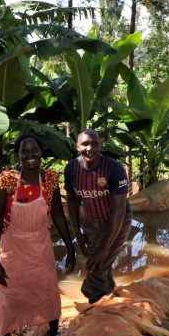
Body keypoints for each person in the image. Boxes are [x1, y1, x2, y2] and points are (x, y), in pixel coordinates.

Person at [0, 133, 75, 336]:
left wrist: (70, 247)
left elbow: (58, 215)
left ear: (41, 152)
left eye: (34, 150)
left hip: (40, 245)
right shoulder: (6, 180)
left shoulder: (49, 180)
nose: (30, 155)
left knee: (47, 290)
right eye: (24, 151)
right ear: (18, 155)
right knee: (9, 299)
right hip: (12, 246)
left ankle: (54, 333)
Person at [64, 129, 131, 304]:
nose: (90, 148)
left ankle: (95, 304)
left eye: (95, 143)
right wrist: (78, 234)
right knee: (101, 264)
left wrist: (105, 247)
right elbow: (72, 200)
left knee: (97, 265)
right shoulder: (72, 169)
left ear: (101, 145)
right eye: (85, 143)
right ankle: (109, 297)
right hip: (91, 221)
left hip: (117, 222)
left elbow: (119, 212)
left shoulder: (114, 169)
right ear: (77, 146)